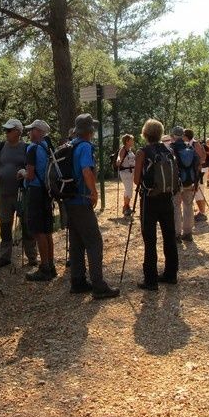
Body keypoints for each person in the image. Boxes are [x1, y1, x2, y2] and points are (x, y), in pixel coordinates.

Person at [65, 113, 120, 299]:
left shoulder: (70, 145)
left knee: (76, 242)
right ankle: (99, 286)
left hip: (69, 200)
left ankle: (78, 281)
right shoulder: (85, 147)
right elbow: (86, 170)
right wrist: (94, 192)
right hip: (81, 199)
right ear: (90, 130)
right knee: (94, 242)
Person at [133, 119, 179, 290]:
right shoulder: (168, 150)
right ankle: (171, 274)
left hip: (149, 200)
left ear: (145, 133)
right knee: (169, 236)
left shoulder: (142, 152)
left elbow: (137, 179)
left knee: (150, 240)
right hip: (167, 198)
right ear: (160, 133)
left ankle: (150, 280)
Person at [0, 119, 38, 267]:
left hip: (22, 193)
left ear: (18, 132)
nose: (6, 133)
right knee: (5, 225)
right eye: (6, 130)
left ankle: (32, 256)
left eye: (9, 130)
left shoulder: (27, 148)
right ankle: (5, 256)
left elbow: (31, 168)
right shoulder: (0, 147)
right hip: (4, 193)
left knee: (27, 224)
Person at [23, 119, 56, 281]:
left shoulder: (32, 148)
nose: (29, 133)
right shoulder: (47, 148)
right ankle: (51, 265)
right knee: (47, 230)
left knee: (38, 230)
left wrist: (21, 173)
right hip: (47, 191)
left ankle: (44, 268)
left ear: (39, 132)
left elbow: (29, 174)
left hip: (35, 191)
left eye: (32, 130)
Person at [170, 126, 198, 242]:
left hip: (176, 183)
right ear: (182, 135)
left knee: (176, 207)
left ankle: (176, 234)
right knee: (188, 206)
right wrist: (195, 182)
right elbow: (197, 165)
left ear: (173, 136)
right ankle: (188, 233)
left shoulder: (171, 149)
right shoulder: (190, 147)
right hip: (189, 181)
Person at [183, 129, 207, 221]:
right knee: (196, 191)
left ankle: (202, 213)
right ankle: (201, 212)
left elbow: (202, 158)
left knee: (199, 192)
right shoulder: (190, 144)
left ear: (186, 136)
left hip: (199, 172)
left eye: (183, 135)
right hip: (195, 171)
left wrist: (196, 165)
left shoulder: (195, 144)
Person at [116, 134, 136, 217]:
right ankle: (125, 207)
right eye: (131, 140)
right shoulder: (123, 149)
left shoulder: (130, 150)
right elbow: (119, 158)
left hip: (131, 172)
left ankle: (127, 207)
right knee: (129, 190)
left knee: (129, 190)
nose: (133, 141)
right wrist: (118, 161)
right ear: (127, 141)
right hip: (125, 172)